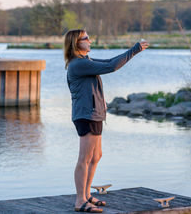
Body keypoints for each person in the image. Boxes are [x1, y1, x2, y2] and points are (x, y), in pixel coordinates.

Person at [64, 29, 149, 213]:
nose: (89, 40)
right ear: (76, 43)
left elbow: (109, 62)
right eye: (85, 38)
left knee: (96, 156)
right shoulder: (78, 64)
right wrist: (134, 50)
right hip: (86, 115)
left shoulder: (86, 62)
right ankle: (80, 201)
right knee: (84, 159)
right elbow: (111, 66)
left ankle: (86, 195)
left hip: (94, 114)